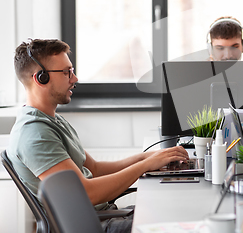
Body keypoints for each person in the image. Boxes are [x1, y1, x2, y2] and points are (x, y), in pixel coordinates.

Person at [7, 39, 190, 233]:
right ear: (41, 78)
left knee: (176, 210)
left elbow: (94, 168)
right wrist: (144, 166)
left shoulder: (52, 120)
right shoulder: (34, 133)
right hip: (90, 226)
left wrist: (148, 157)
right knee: (178, 223)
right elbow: (85, 193)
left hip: (102, 216)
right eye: (66, 72)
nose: (74, 78)